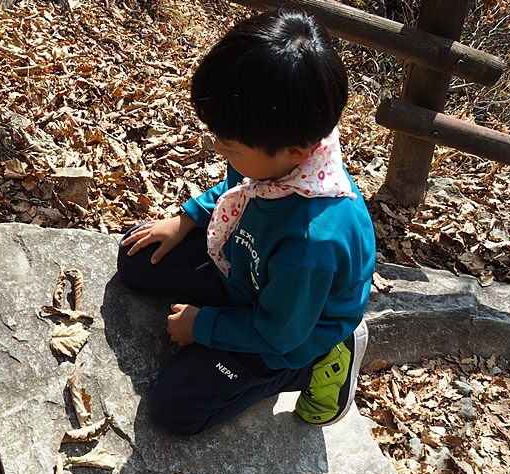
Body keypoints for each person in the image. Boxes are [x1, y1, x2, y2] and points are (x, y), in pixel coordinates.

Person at [116, 9, 376, 436]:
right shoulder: (280, 149)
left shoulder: (312, 242)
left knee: (175, 409)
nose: (218, 148)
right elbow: (238, 189)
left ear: (295, 153)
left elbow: (278, 334)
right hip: (247, 273)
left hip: (289, 331)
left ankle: (316, 364)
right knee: (135, 255)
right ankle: (234, 317)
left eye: (230, 145)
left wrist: (203, 326)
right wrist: (187, 219)